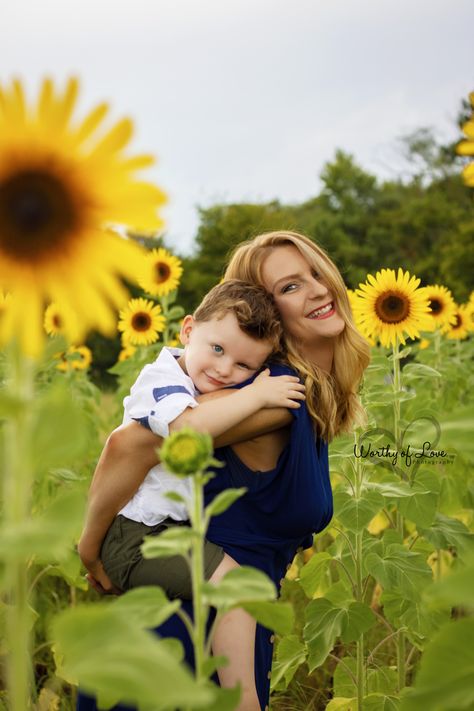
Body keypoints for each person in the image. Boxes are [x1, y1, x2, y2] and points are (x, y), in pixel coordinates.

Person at [77, 231, 370, 711]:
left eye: (317, 272)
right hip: (181, 641)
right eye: (291, 287)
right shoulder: (264, 396)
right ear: (267, 316)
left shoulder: (298, 393)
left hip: (220, 622)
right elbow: (129, 444)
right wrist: (91, 546)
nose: (317, 289)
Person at [81, 279, 305, 711]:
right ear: (187, 331)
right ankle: (244, 702)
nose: (224, 370)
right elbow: (187, 430)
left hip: (161, 532)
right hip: (137, 537)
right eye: (217, 349)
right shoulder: (161, 380)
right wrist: (257, 393)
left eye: (243, 366)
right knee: (238, 588)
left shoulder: (201, 385)